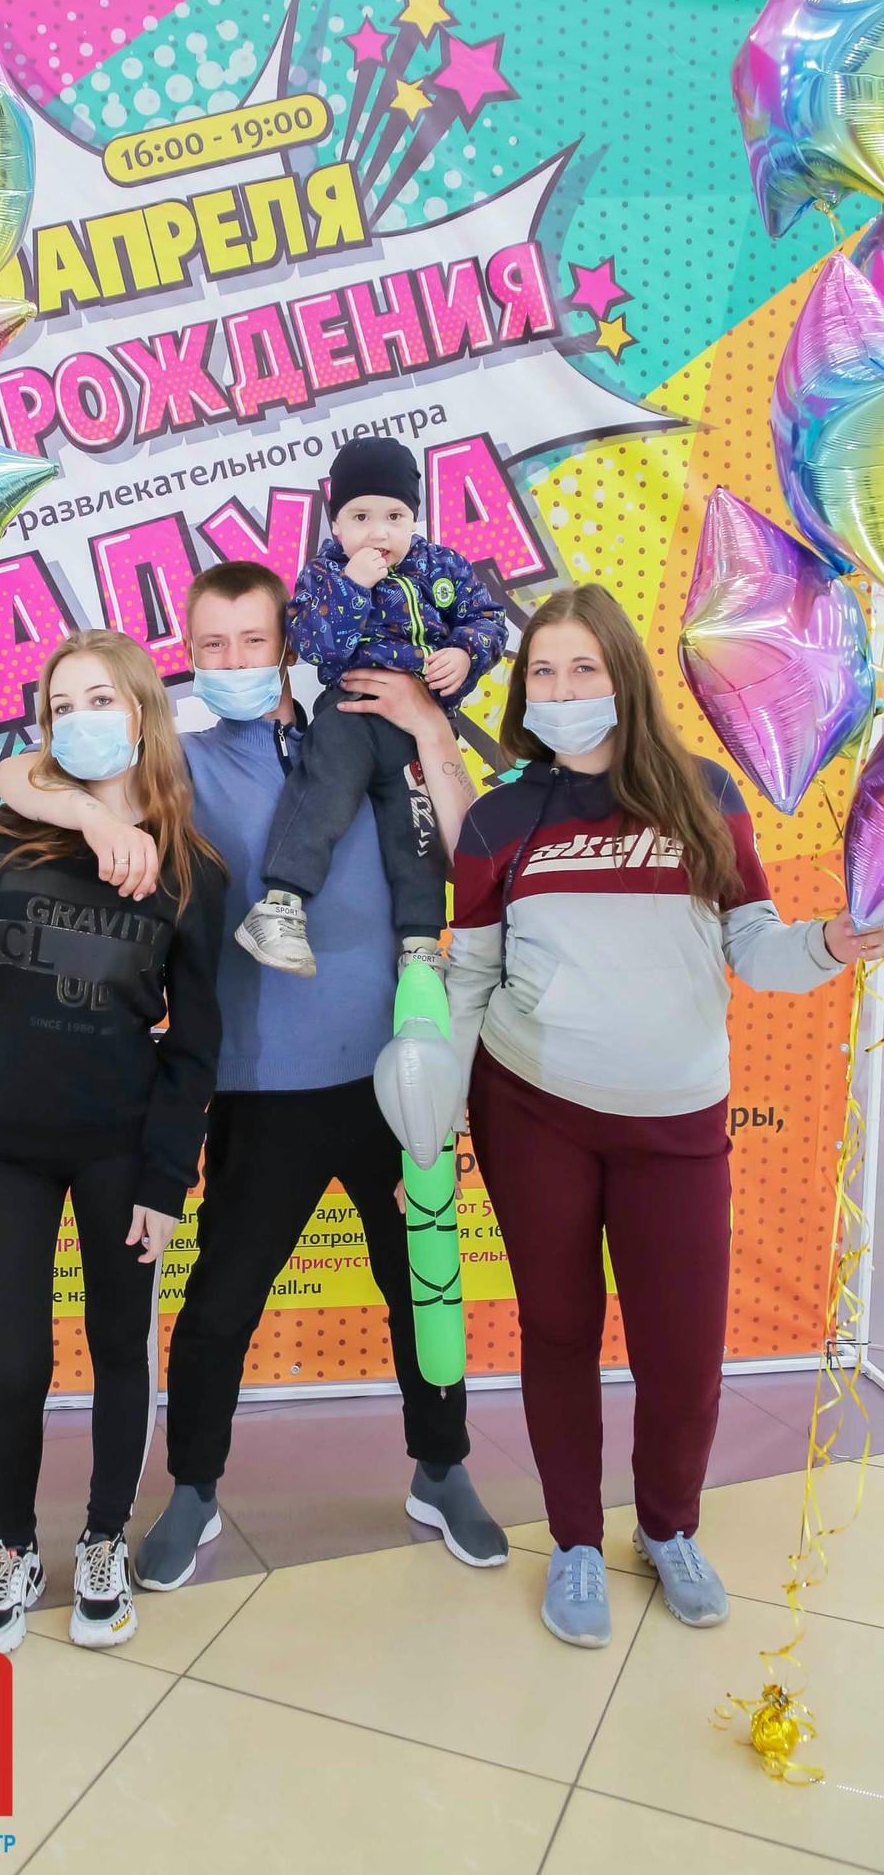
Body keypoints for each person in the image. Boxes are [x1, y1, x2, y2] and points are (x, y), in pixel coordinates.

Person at [0, 563, 509, 1589]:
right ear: (188, 654)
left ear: (290, 644)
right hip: (258, 1085)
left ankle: (440, 1469)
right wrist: (101, 823)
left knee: (422, 1289)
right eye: (211, 645)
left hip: (393, 1078)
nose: (232, 661)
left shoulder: (366, 735)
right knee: (220, 1308)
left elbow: (471, 853)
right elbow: (19, 775)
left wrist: (429, 725)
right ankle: (193, 1490)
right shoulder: (173, 767)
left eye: (252, 641)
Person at [444, 582, 884, 1648]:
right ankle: (576, 1543)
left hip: (677, 1117)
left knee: (682, 1354)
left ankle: (668, 1529)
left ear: (623, 678)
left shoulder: (703, 795)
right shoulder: (499, 818)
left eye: (582, 669)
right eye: (542, 673)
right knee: (558, 1333)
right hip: (533, 1108)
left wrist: (831, 941)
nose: (561, 691)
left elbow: (754, 949)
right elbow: (468, 979)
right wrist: (440, 1107)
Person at [0, 629, 225, 1656]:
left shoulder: (192, 869)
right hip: (3, 1142)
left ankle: (103, 1541)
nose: (80, 721)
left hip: (121, 1150)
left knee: (120, 1355)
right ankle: (12, 1549)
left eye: (100, 700)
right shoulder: (11, 822)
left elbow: (196, 1046)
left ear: (142, 711)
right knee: (15, 1366)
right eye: (62, 706)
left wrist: (166, 1179)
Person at [234, 436, 507, 978]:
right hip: (350, 712)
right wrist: (353, 586)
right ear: (337, 524)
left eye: (394, 516)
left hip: (417, 726)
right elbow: (314, 644)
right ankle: (280, 905)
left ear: (414, 519)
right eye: (360, 517)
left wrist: (463, 652)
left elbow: (489, 620)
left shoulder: (442, 566)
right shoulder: (324, 575)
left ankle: (421, 945)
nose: (378, 533)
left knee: (416, 831)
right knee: (323, 791)